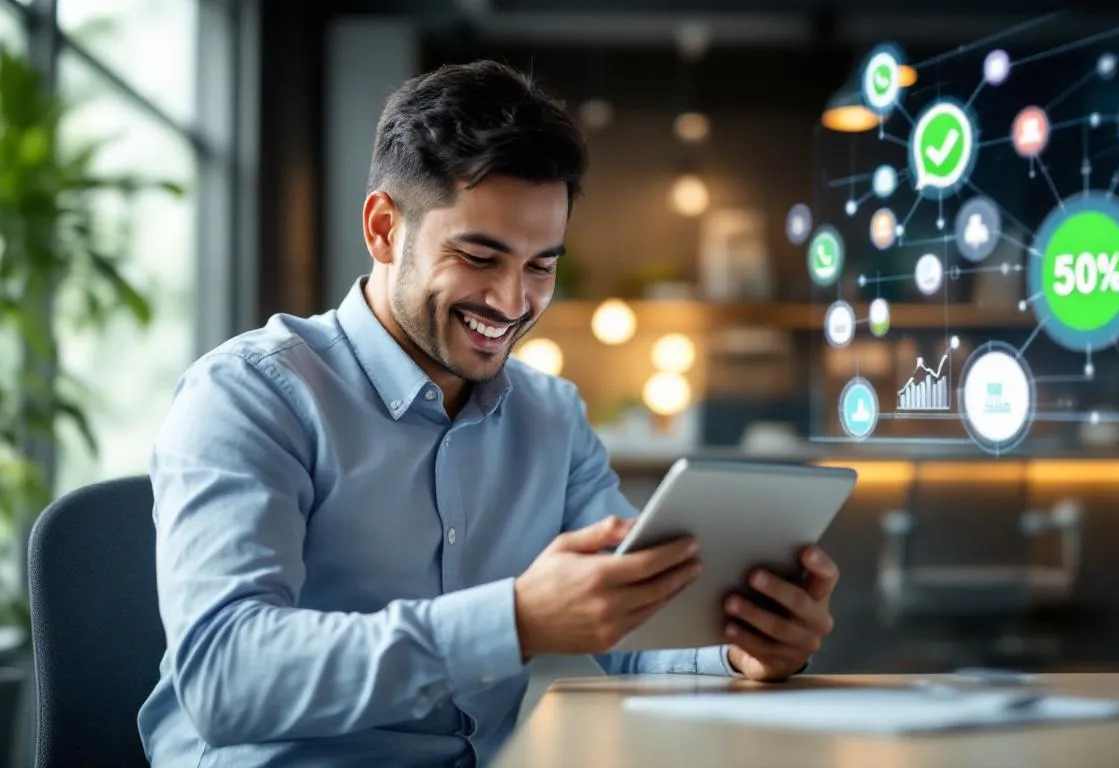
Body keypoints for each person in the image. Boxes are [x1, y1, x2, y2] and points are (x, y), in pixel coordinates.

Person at [138, 60, 840, 767]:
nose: (512, 302)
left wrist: (740, 649)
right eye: (480, 256)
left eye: (541, 266)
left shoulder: (551, 417)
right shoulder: (248, 395)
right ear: (384, 229)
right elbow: (224, 678)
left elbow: (630, 633)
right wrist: (513, 620)